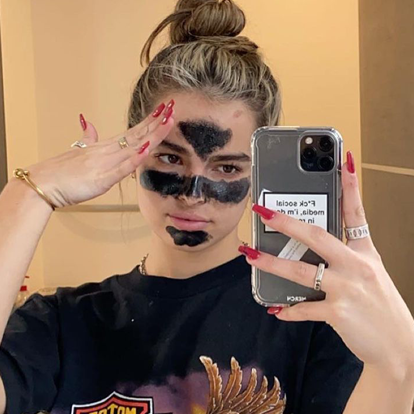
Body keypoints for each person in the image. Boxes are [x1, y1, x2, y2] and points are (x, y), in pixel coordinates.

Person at [0, 1, 414, 413]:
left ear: (256, 174)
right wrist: (29, 193)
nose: (193, 193)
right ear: (130, 155)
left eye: (227, 166)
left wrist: (399, 365)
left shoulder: (311, 322)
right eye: (170, 158)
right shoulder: (60, 325)